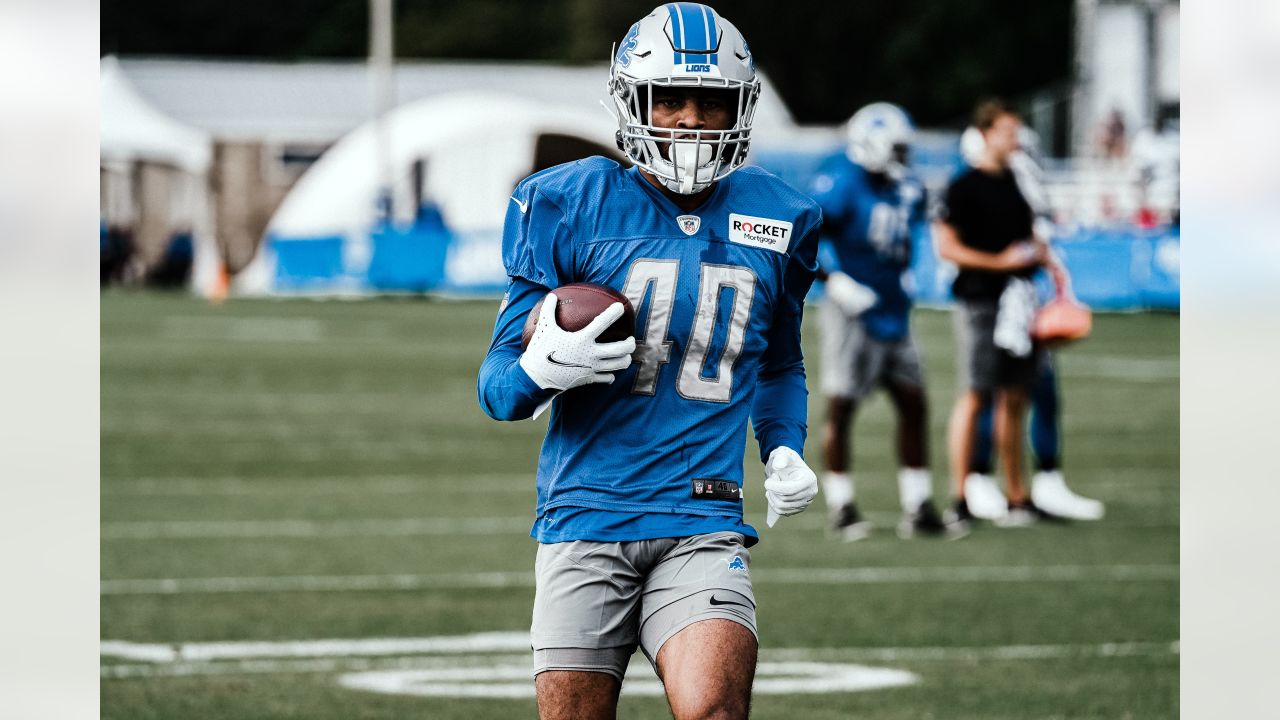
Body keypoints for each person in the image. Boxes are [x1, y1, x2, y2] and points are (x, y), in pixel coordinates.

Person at [476, 5, 821, 718]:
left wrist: (783, 447)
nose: (691, 119)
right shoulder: (568, 202)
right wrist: (545, 368)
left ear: (742, 106)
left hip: (703, 520)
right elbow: (498, 391)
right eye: (672, 98)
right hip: (584, 519)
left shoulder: (782, 215)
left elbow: (779, 364)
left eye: (711, 101)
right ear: (635, 100)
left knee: (716, 712)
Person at [808, 102, 963, 541]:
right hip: (852, 310)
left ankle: (918, 506)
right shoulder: (840, 181)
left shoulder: (905, 186)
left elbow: (917, 227)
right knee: (842, 405)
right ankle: (842, 507)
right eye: (896, 147)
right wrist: (834, 281)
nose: (903, 156)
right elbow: (802, 236)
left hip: (896, 307)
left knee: (914, 402)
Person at [957, 124, 1106, 523]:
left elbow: (1036, 237)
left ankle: (1040, 480)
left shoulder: (1019, 179)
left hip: (1024, 297)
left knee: (1036, 389)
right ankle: (980, 479)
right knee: (988, 392)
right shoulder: (973, 187)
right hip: (990, 301)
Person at [935, 99, 1059, 527]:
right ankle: (959, 497)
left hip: (1017, 302)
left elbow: (1025, 238)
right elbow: (947, 247)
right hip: (979, 301)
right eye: (1007, 131)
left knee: (1015, 397)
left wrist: (1041, 258)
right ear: (985, 134)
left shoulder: (1016, 182)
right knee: (974, 396)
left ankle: (1017, 496)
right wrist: (1000, 262)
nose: (1015, 139)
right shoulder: (963, 186)